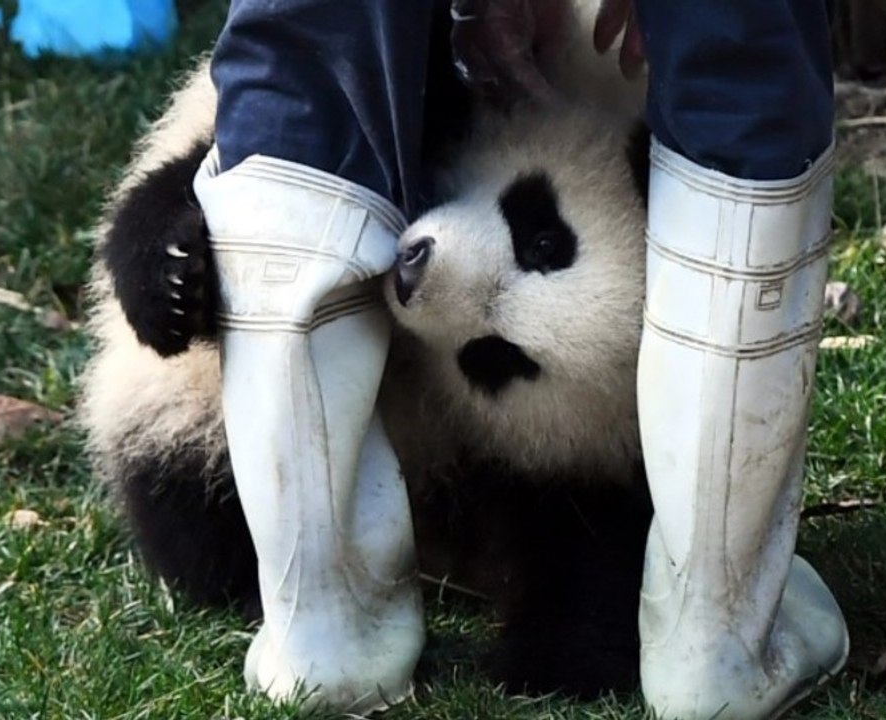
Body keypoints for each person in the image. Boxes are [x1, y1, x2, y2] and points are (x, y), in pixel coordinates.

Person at [191, 1, 849, 718]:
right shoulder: (537, 133)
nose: (433, 285)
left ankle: (323, 626)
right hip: (212, 456)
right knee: (737, 29)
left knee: (322, 27)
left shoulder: (556, 460)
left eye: (493, 359)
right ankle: (726, 637)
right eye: (539, 244)